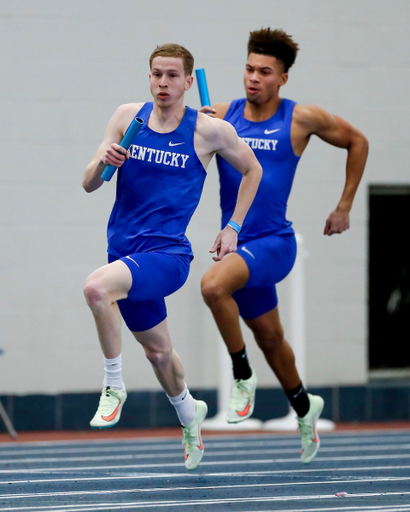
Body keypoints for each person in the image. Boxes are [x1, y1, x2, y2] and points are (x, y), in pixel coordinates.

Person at [82, 43, 262, 471]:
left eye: (172, 76)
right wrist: (104, 163)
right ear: (149, 77)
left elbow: (253, 170)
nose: (163, 82)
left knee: (95, 288)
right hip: (123, 251)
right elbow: (89, 183)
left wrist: (233, 227)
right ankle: (189, 414)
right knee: (160, 354)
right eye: (156, 74)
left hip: (166, 255)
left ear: (186, 81)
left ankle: (112, 386)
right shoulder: (129, 117)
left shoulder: (208, 131)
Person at [200, 28, 369, 464]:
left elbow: (357, 141)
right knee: (271, 337)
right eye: (249, 69)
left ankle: (242, 376)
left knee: (213, 286)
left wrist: (344, 204)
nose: (253, 78)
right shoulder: (220, 115)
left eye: (265, 72)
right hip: (237, 244)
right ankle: (303, 406)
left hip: (273, 243)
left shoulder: (300, 119)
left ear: (283, 78)